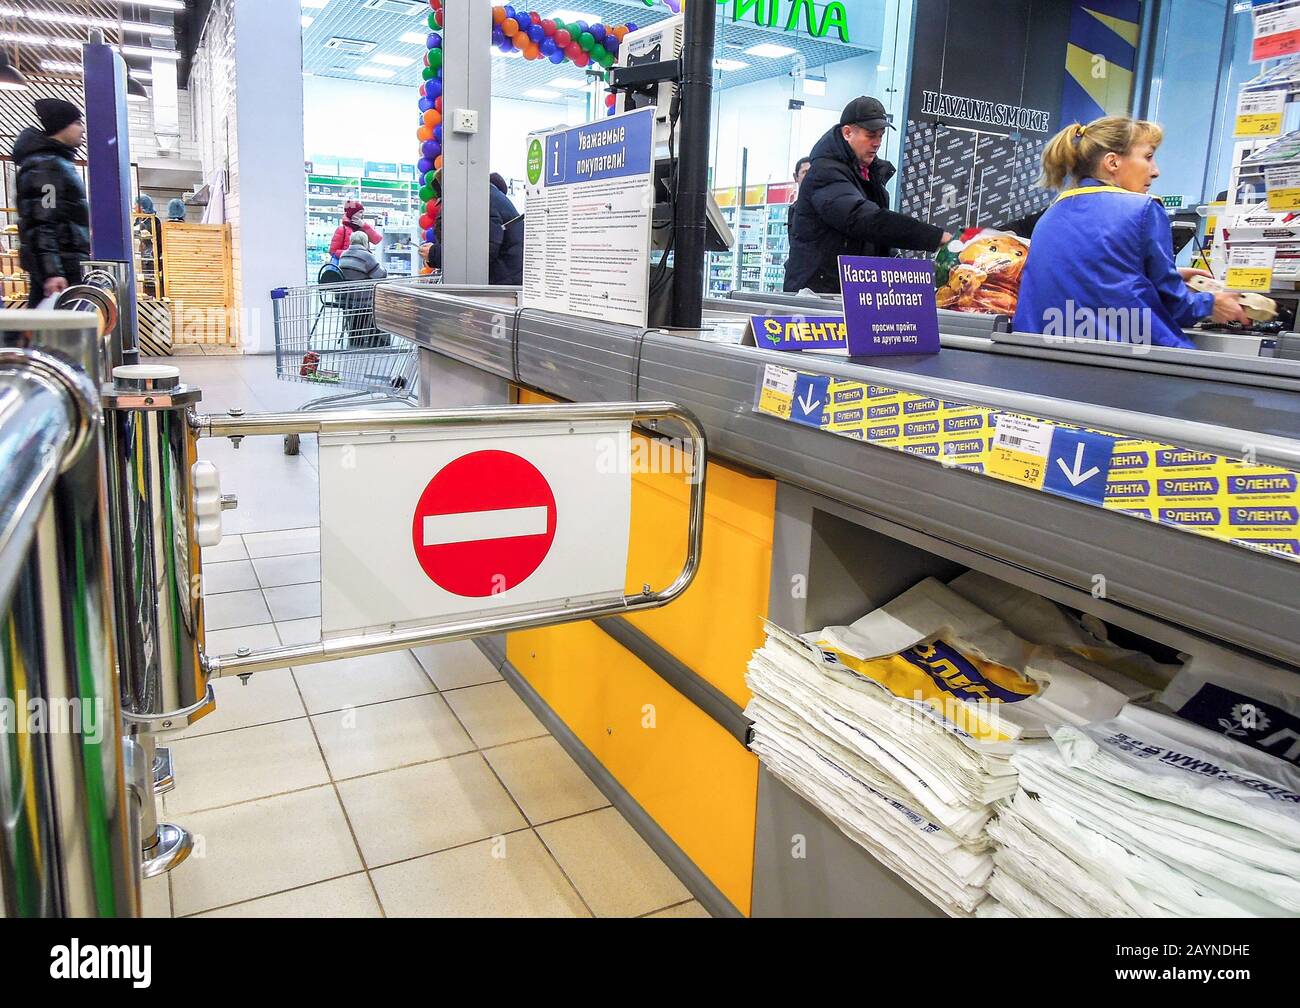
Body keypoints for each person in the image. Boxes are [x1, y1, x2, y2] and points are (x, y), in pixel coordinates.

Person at [1014, 116, 1247, 349]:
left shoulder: (1052, 214)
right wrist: (1211, 303)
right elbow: (1177, 306)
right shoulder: (1143, 209)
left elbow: (1092, 279)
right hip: (1127, 361)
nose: (1155, 171)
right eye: (1148, 157)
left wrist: (1159, 274)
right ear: (1113, 162)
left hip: (1046, 356)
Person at [785, 96, 951, 294]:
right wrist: (937, 237)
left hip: (853, 292)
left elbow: (876, 236)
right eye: (871, 135)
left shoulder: (869, 174)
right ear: (847, 133)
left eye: (881, 135)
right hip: (818, 295)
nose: (877, 143)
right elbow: (862, 219)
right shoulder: (825, 172)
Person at [14, 98, 89, 306]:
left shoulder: (54, 163)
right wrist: (52, 272)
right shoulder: (46, 166)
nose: (82, 129)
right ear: (61, 125)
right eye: (77, 123)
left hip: (64, 265)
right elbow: (42, 222)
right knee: (51, 332)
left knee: (52, 331)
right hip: (60, 271)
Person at [420, 172, 523, 285]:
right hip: (503, 280)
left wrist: (435, 254)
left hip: (500, 285)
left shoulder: (482, 201)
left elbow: (481, 254)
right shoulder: (484, 196)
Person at [338, 231, 387, 347]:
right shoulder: (366, 256)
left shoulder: (344, 254)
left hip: (348, 296)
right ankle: (376, 338)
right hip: (364, 296)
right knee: (382, 303)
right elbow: (380, 275)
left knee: (359, 314)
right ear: (366, 242)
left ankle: (355, 338)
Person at [136, 194, 164, 296]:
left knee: (151, 287)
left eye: (136, 204)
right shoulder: (137, 220)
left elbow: (158, 243)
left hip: (151, 260)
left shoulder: (153, 220)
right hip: (141, 259)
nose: (134, 207)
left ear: (142, 206)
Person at [788, 156, 813, 234]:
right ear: (796, 177)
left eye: (812, 172)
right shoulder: (793, 209)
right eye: (805, 172)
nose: (809, 176)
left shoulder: (824, 205)